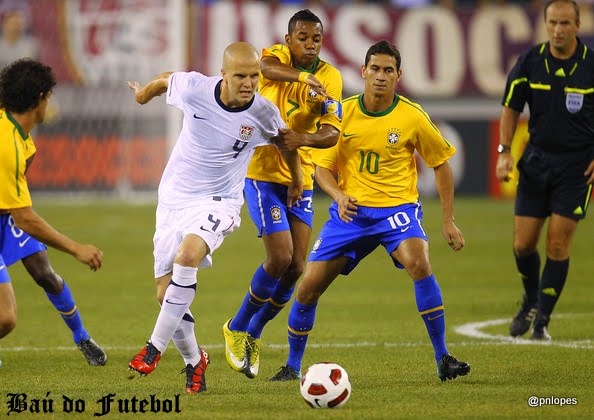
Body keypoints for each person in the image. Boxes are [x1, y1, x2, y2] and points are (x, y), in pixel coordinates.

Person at [270, 40, 471, 382]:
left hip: (397, 211)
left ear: (398, 75)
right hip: (351, 214)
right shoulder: (342, 113)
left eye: (388, 70)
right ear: (363, 72)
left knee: (419, 263)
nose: (380, 76)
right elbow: (322, 169)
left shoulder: (411, 115)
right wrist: (338, 195)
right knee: (308, 287)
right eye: (374, 69)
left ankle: (443, 358)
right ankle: (292, 366)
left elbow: (441, 164)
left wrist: (448, 220)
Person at [126, 42, 303, 394]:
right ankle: (195, 360)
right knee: (166, 295)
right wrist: (143, 94)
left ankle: (153, 348)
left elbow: (287, 143)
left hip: (219, 201)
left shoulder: (264, 112)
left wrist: (297, 180)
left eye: (254, 76)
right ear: (223, 74)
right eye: (240, 75)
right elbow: (166, 80)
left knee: (187, 257)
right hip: (173, 199)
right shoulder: (196, 89)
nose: (248, 83)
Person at [223, 8, 342, 380]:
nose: (309, 44)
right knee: (278, 258)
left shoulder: (331, 77)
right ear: (289, 39)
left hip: (299, 177)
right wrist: (303, 77)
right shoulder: (277, 57)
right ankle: (237, 327)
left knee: (295, 268)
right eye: (302, 38)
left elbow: (332, 131)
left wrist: (303, 139)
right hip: (261, 174)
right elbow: (265, 68)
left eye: (316, 39)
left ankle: (254, 333)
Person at [496, 0, 594, 341]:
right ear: (545, 23)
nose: (558, 30)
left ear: (578, 25)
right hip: (536, 162)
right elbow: (510, 107)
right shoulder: (530, 61)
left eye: (565, 23)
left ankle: (542, 322)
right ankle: (531, 300)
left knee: (557, 246)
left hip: (577, 169)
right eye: (553, 22)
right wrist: (504, 152)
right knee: (523, 245)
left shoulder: (591, 65)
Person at [0, 58, 104, 368]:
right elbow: (25, 218)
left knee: (44, 273)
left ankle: (81, 336)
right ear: (40, 99)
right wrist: (77, 248)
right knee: (5, 319)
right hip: (11, 215)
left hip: (4, 215)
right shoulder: (6, 144)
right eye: (50, 96)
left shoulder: (21, 137)